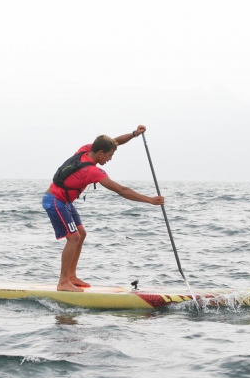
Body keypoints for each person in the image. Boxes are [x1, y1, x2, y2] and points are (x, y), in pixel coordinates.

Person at [42, 125, 165, 292]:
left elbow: (115, 142)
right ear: (100, 152)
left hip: (64, 201)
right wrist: (150, 200)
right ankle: (63, 282)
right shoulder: (91, 171)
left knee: (81, 234)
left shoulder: (85, 150)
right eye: (109, 155)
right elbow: (121, 190)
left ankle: (71, 276)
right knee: (73, 237)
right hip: (55, 201)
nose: (110, 158)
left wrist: (134, 134)